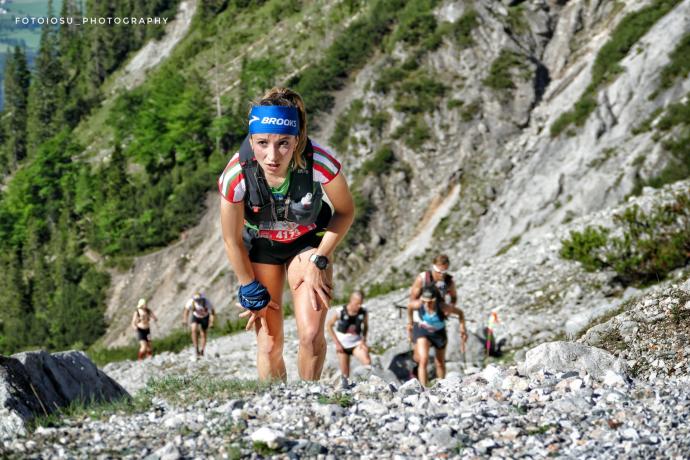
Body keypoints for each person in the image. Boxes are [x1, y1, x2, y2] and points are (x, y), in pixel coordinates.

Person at [218, 87, 354, 382]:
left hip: (307, 244)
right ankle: (276, 409)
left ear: (297, 140)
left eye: (283, 144)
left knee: (311, 334)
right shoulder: (236, 174)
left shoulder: (319, 161)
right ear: (251, 140)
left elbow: (345, 211)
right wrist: (248, 287)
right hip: (261, 247)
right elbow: (230, 239)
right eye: (262, 143)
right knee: (268, 345)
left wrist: (321, 260)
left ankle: (308, 401)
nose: (272, 155)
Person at [407, 287, 467, 386]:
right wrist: (410, 323)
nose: (426, 304)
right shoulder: (418, 304)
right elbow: (409, 307)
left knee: (439, 362)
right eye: (424, 301)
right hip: (423, 331)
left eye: (430, 302)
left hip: (439, 333)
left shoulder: (443, 306)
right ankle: (423, 388)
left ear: (435, 300)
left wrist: (462, 328)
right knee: (423, 360)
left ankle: (441, 386)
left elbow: (460, 313)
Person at [326, 290, 372, 386]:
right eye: (357, 303)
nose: (359, 306)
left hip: (356, 343)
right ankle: (346, 391)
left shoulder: (363, 311)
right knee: (345, 374)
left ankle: (368, 384)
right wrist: (337, 343)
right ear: (352, 300)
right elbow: (329, 326)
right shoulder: (340, 311)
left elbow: (366, 326)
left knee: (367, 362)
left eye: (361, 303)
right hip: (342, 345)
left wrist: (364, 340)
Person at [183, 292, 216, 361]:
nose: (197, 301)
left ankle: (202, 350)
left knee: (203, 333)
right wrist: (185, 320)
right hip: (196, 316)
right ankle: (196, 348)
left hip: (205, 317)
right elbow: (186, 311)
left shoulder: (207, 302)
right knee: (193, 329)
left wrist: (212, 322)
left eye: (199, 299)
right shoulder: (191, 302)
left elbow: (212, 312)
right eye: (196, 300)